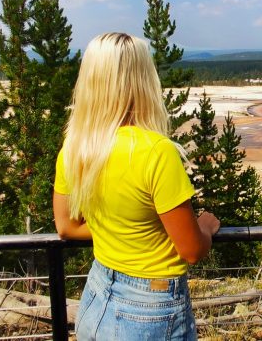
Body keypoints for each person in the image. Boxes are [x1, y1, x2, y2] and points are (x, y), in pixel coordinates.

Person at [53, 32, 220, 340]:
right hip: (150, 308)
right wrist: (206, 227)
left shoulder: (75, 148)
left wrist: (118, 227)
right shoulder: (157, 151)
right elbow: (192, 250)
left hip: (95, 295)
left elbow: (66, 227)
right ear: (144, 80)